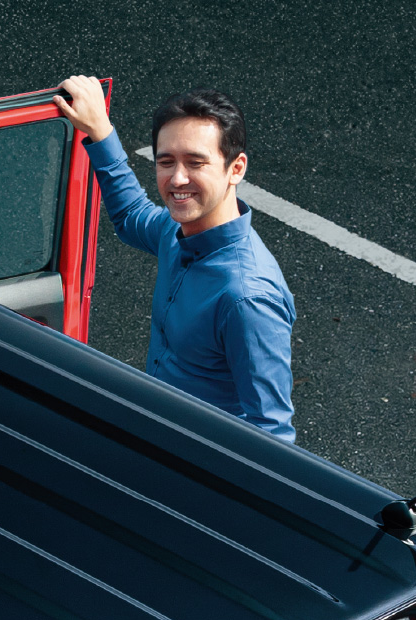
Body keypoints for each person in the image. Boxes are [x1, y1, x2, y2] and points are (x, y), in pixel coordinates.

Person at [51, 76, 297, 442]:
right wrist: (100, 132)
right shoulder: (176, 229)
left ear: (237, 168)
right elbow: (132, 217)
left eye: (196, 163)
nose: (177, 179)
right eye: (166, 162)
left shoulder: (247, 298)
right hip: (152, 433)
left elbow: (272, 432)